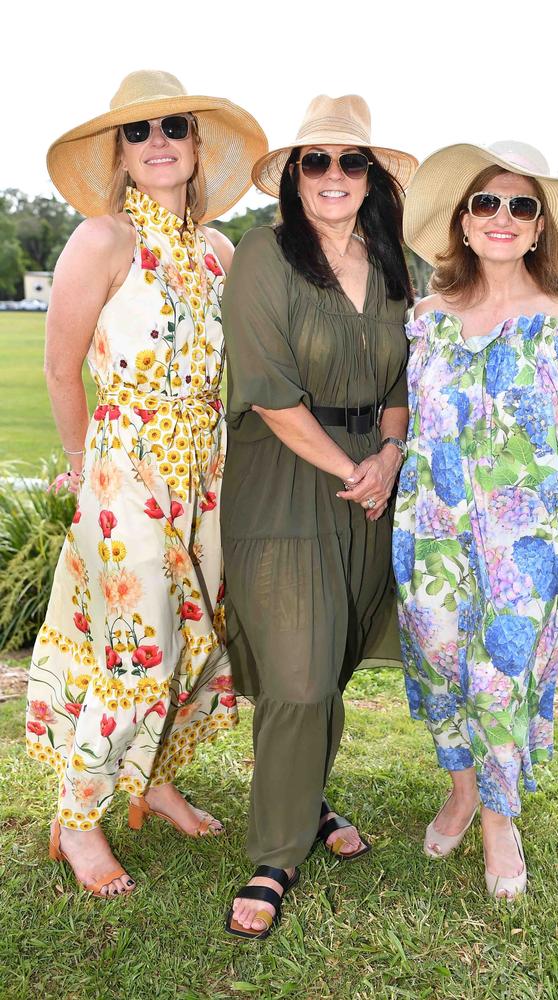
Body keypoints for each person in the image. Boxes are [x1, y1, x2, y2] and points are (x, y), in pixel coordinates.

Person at [26, 69, 267, 897]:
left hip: (202, 472)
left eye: (173, 126)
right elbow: (61, 370)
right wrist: (80, 468)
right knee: (140, 649)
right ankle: (78, 815)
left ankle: (151, 777)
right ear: (122, 157)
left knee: (195, 637)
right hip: (124, 471)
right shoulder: (100, 242)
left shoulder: (219, 252)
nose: (158, 142)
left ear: (197, 146)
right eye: (140, 132)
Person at [394, 141, 558, 899]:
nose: (502, 217)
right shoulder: (426, 319)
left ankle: (499, 819)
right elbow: (413, 426)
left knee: (500, 678)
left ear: (537, 229)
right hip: (432, 534)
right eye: (486, 202)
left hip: (529, 544)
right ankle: (461, 789)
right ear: (462, 221)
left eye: (521, 206)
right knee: (440, 664)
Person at [220, 95, 417, 938]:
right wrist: (355, 469)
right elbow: (264, 389)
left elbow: (409, 382)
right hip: (288, 476)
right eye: (317, 160)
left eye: (351, 161)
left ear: (370, 176)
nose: (334, 176)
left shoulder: (400, 261)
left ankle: (307, 796)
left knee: (330, 656)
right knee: (297, 674)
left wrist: (391, 457)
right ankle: (276, 856)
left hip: (373, 472)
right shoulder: (263, 257)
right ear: (295, 176)